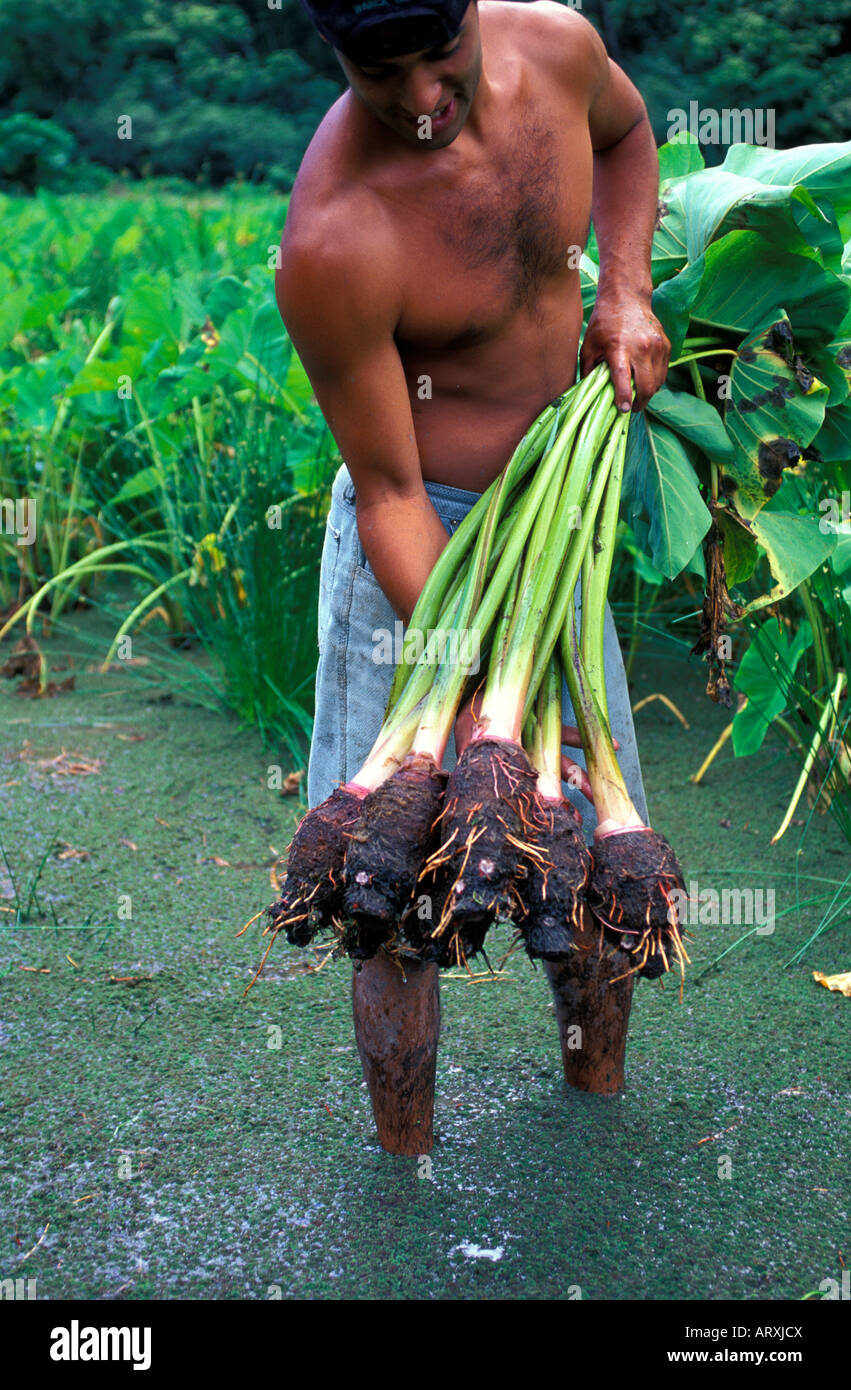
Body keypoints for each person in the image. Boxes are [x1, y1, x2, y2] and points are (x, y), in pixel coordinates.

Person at [275, 0, 671, 1155]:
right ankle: (405, 1162)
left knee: (594, 856)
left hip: (559, 522)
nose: (417, 98)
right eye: (374, 71)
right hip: (420, 548)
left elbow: (631, 133)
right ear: (333, 55)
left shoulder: (557, 47)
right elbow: (391, 493)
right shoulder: (337, 239)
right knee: (383, 895)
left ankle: (595, 1109)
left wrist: (626, 291)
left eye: (437, 56)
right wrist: (497, 703)